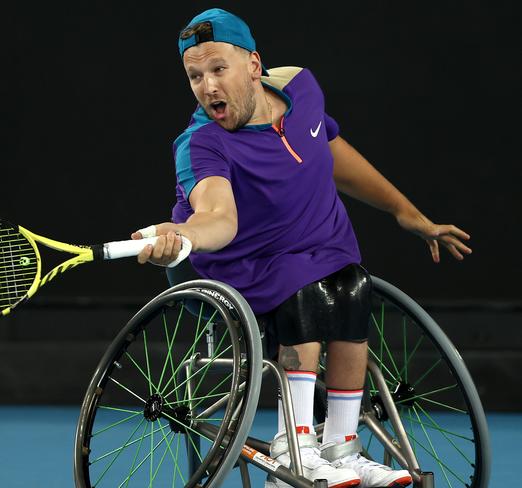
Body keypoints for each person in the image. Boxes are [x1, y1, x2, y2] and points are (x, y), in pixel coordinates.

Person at [132, 8, 472, 488]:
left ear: (253, 65)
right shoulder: (201, 144)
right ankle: (295, 448)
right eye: (194, 76)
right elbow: (218, 217)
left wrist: (405, 212)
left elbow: (330, 151)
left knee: (353, 286)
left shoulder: (300, 89)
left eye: (217, 69)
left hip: (315, 251)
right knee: (306, 292)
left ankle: (340, 445)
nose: (207, 87)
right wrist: (179, 235)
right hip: (234, 267)